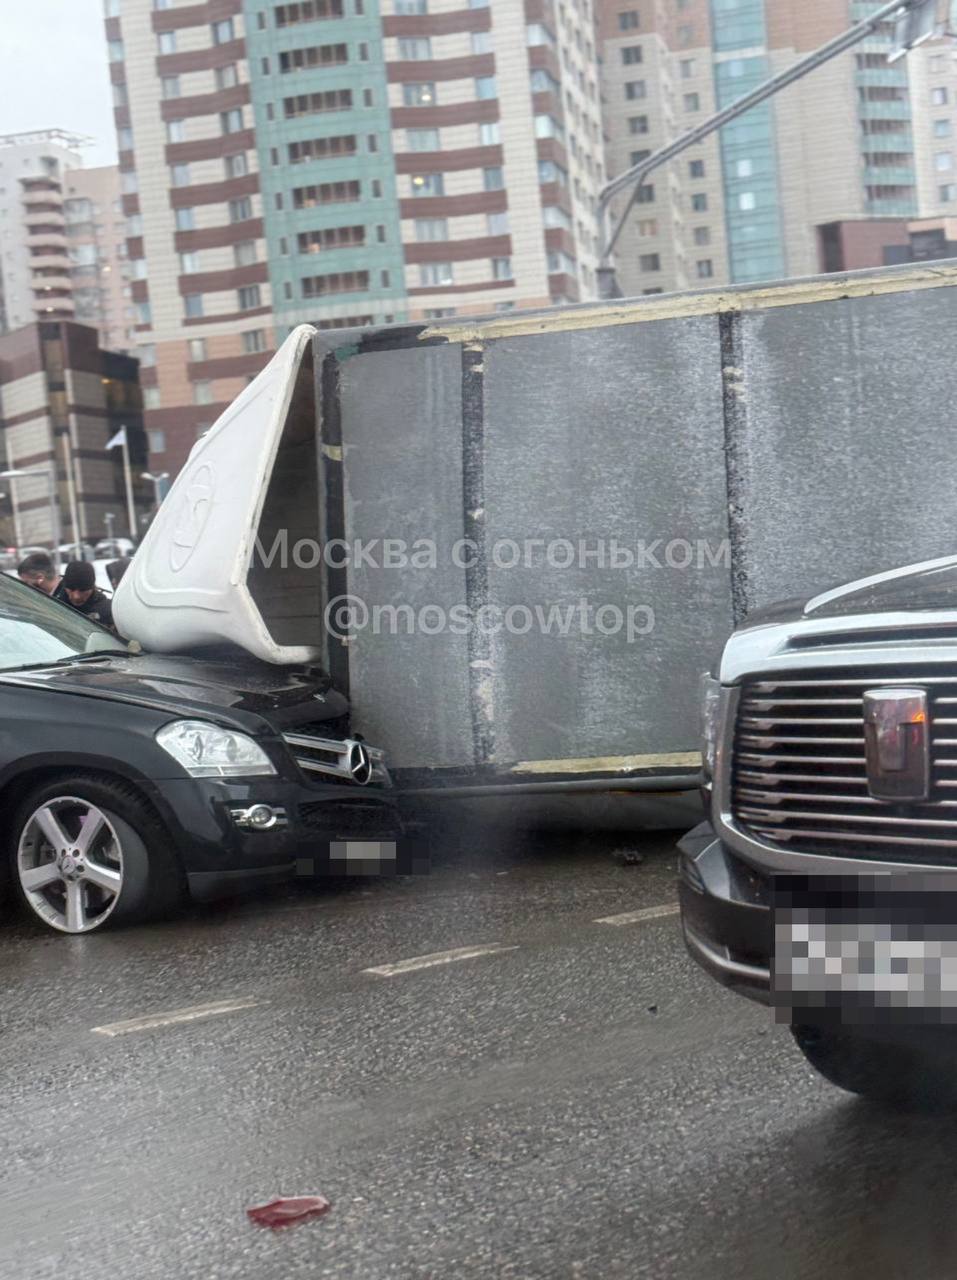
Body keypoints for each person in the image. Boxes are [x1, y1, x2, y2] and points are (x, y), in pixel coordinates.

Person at [61, 560, 114, 631]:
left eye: (83, 590)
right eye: (71, 589)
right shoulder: (52, 601)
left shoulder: (106, 611)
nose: (76, 596)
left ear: (93, 588)